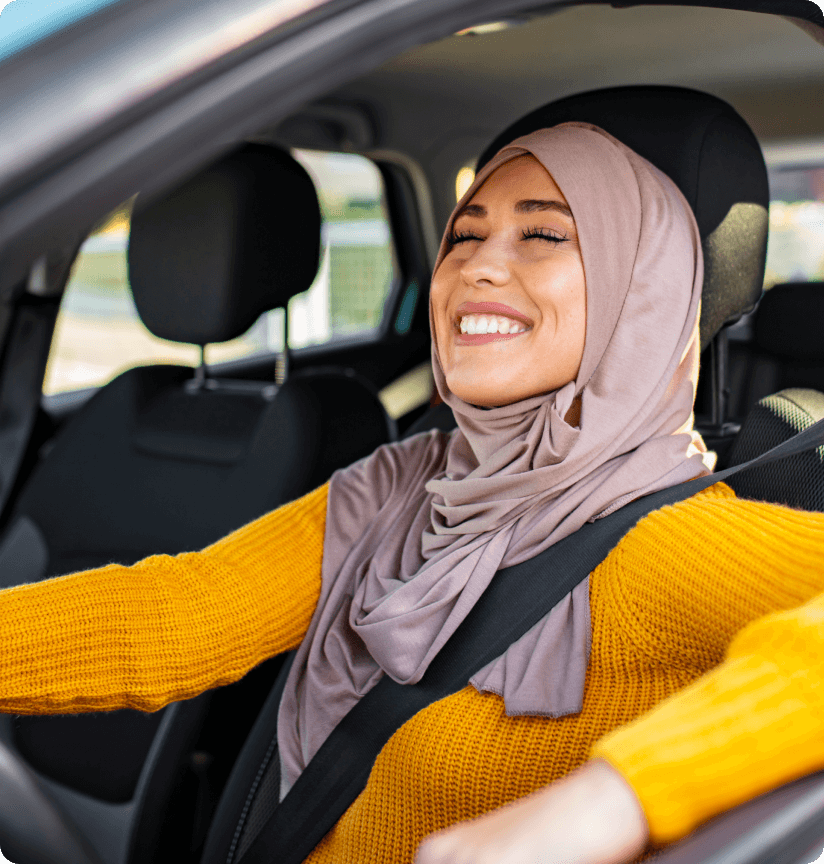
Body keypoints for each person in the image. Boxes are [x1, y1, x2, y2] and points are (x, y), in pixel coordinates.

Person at [1, 122, 824, 864]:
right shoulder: (406, 479)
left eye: (544, 234)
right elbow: (184, 613)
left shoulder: (668, 541)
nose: (479, 267)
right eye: (463, 236)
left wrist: (614, 798)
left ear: (635, 291)